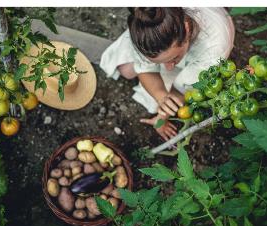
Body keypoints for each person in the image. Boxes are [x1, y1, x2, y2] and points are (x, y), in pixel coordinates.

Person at [100, 7, 235, 141]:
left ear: (187, 29)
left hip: (210, 45)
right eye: (162, 61)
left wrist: (162, 116)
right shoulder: (149, 17)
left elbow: (180, 91)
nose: (169, 68)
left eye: (174, 58)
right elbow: (146, 69)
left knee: (169, 91)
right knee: (126, 71)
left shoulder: (214, 48)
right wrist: (161, 96)